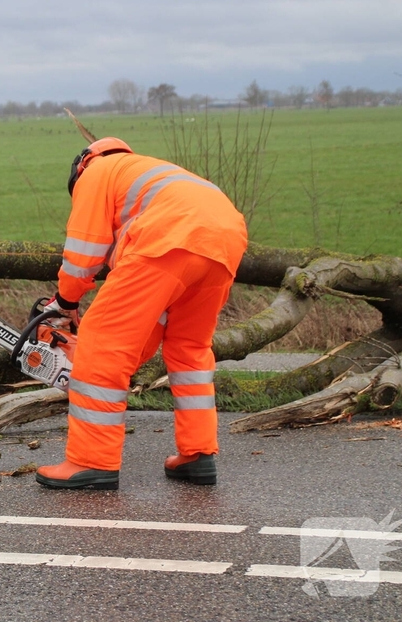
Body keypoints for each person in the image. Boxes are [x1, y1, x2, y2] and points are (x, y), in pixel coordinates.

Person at [35, 137, 248, 490]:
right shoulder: (144, 172)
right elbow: (145, 331)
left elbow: (82, 254)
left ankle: (91, 462)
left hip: (168, 238)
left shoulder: (96, 172)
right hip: (225, 241)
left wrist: (66, 303)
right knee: (190, 349)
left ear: (81, 165)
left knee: (101, 343)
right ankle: (197, 455)